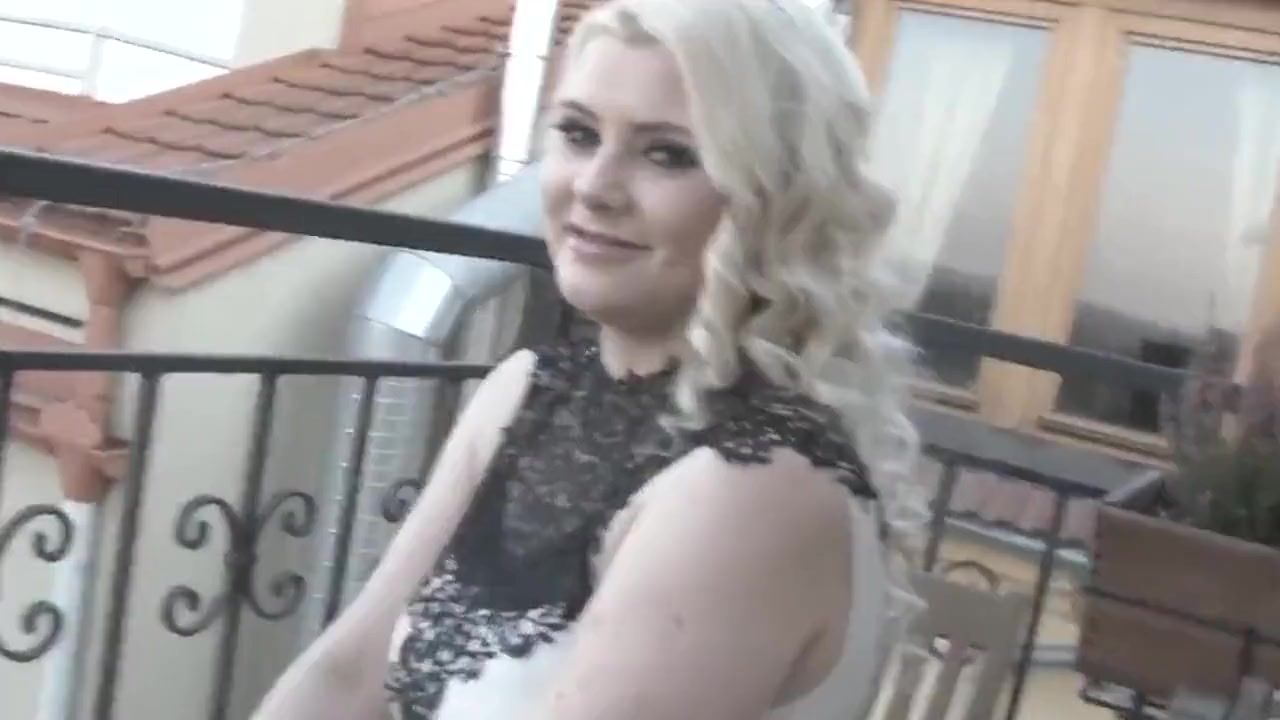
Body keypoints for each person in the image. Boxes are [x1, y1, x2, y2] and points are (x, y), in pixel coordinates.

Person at [252, 0, 924, 718]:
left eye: (667, 154)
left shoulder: (755, 486)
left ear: (774, 197)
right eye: (578, 134)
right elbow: (347, 671)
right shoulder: (529, 390)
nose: (594, 187)